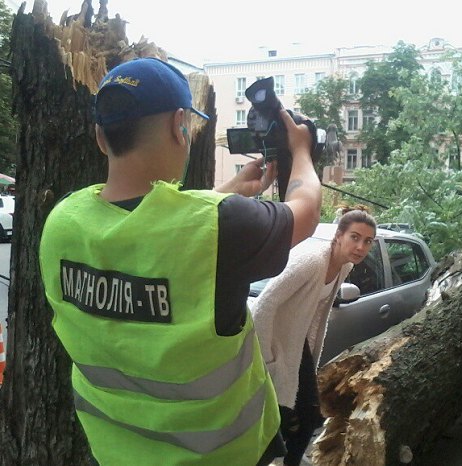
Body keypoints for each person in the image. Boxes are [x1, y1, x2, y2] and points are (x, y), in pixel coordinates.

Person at [38, 57, 322, 466]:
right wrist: (301, 150)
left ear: (101, 138)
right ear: (179, 125)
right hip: (222, 456)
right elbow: (307, 211)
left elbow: (150, 234)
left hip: (118, 451)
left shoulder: (63, 221)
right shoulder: (223, 224)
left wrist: (228, 193)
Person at [251, 208, 376, 466]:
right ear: (339, 235)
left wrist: (305, 349)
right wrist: (266, 358)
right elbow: (264, 305)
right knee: (282, 419)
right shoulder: (312, 261)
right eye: (354, 237)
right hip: (270, 345)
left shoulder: (343, 266)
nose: (360, 246)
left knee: (306, 417)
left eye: (367, 241)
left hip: (294, 345)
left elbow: (315, 311)